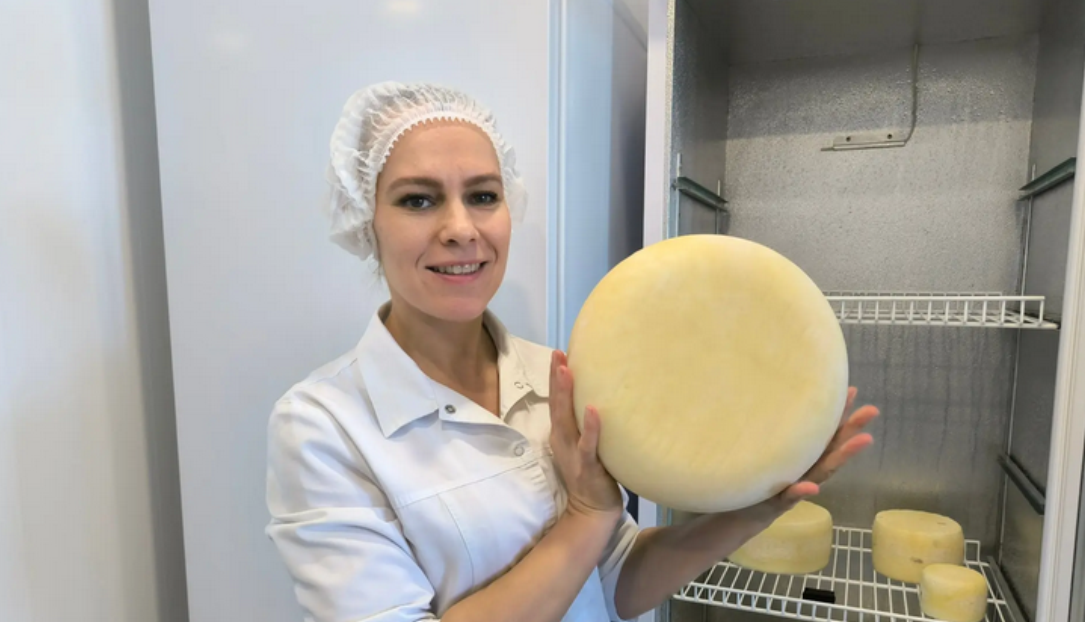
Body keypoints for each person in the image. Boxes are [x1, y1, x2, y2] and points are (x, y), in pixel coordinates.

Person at [265, 82, 879, 622]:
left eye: (483, 195)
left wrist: (758, 508)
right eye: (417, 200)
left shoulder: (557, 376)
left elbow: (618, 584)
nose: (461, 229)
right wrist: (586, 513)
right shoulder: (322, 427)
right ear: (364, 220)